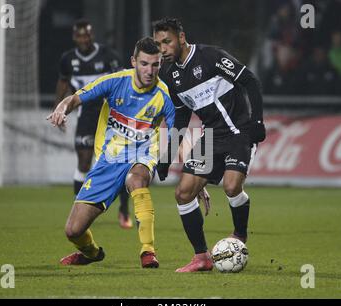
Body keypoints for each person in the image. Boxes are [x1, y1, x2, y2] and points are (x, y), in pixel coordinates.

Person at [47, 37, 175, 268]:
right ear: (133, 61)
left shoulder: (163, 95)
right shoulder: (115, 82)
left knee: (137, 180)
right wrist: (61, 107)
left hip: (142, 155)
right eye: (144, 64)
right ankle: (92, 253)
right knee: (73, 230)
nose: (150, 70)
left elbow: (177, 134)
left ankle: (148, 251)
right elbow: (76, 97)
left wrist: (193, 177)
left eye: (155, 65)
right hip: (109, 160)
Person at [153, 17, 266, 272]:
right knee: (183, 192)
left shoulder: (211, 57)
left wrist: (257, 121)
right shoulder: (169, 74)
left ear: (181, 37)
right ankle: (201, 257)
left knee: (231, 186)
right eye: (159, 43)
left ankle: (239, 235)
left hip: (239, 130)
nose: (163, 49)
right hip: (211, 136)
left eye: (167, 42)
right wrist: (168, 154)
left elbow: (250, 81)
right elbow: (181, 116)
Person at [54, 18, 133, 229]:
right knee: (83, 162)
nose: (84, 39)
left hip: (111, 115)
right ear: (74, 37)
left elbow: (124, 80)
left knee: (120, 163)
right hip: (86, 116)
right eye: (80, 35)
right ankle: (79, 209)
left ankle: (124, 211)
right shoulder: (68, 59)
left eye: (87, 34)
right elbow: (63, 83)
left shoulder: (109, 56)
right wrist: (59, 109)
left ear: (92, 35)